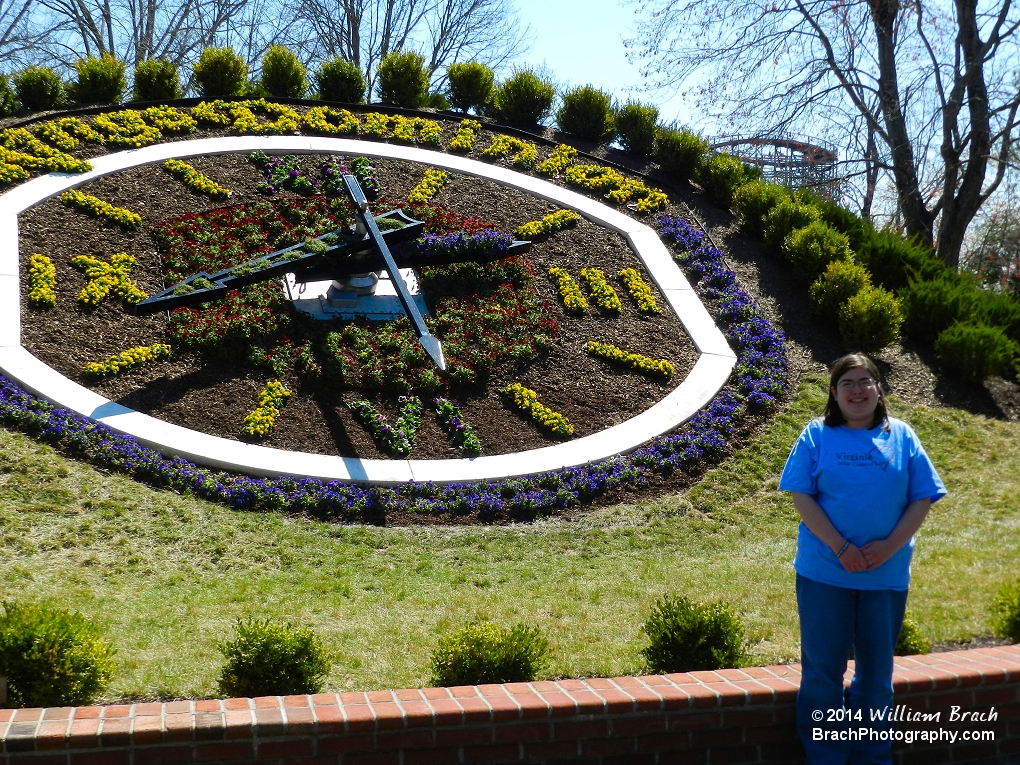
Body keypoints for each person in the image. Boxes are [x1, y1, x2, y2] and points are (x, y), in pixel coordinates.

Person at [778, 353, 947, 765]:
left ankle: (873, 757)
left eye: (865, 381)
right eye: (848, 383)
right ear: (834, 393)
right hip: (825, 574)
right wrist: (840, 547)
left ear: (878, 389)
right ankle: (826, 757)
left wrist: (888, 547)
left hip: (883, 578)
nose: (857, 390)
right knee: (823, 675)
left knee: (875, 678)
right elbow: (801, 495)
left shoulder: (902, 436)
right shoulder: (816, 436)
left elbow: (922, 497)